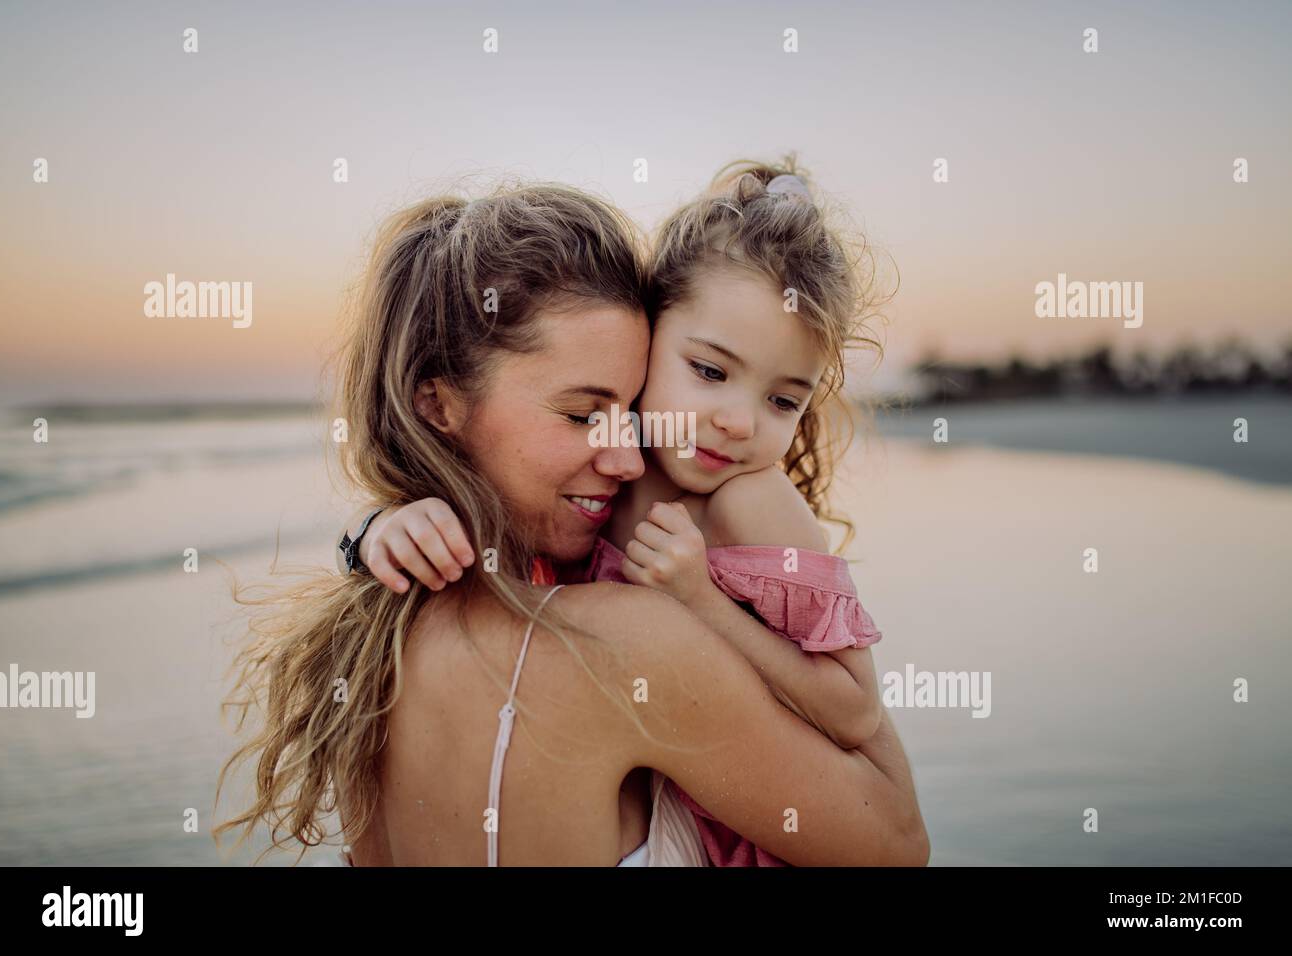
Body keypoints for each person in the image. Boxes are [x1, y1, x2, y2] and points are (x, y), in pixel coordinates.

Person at [215, 180, 928, 867]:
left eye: (628, 408)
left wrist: (370, 530)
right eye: (583, 414)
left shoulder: (370, 638)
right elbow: (894, 843)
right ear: (437, 404)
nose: (624, 459)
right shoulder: (623, 643)